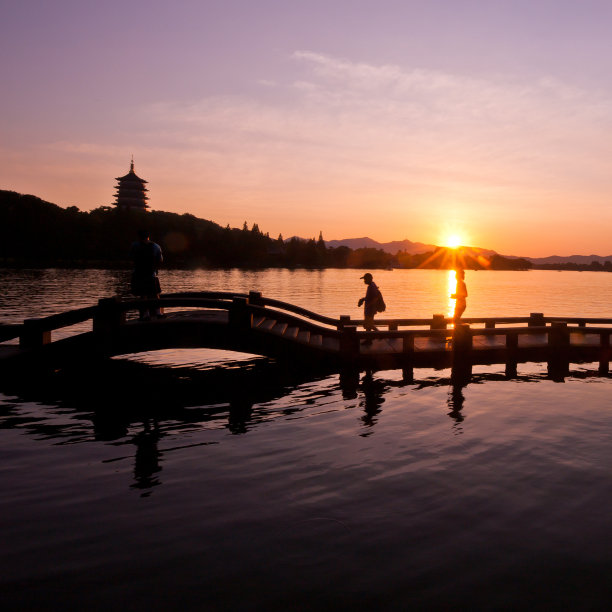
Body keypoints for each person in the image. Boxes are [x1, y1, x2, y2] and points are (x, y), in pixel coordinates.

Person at [130, 229, 163, 320]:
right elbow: (160, 260)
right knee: (155, 294)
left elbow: (132, 258)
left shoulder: (135, 245)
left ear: (139, 236)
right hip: (151, 274)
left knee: (143, 294)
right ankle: (158, 313)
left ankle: (145, 314)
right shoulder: (156, 246)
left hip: (139, 274)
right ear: (149, 236)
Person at [358, 273, 380, 344]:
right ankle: (372, 338)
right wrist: (363, 299)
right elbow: (370, 297)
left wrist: (368, 305)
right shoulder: (371, 286)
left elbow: (375, 298)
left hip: (370, 310)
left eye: (365, 279)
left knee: (368, 324)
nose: (364, 280)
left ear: (368, 279)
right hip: (370, 309)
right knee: (369, 324)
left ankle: (371, 338)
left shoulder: (371, 287)